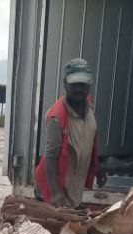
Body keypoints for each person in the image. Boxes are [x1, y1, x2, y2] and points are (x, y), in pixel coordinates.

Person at [35, 58, 107, 208]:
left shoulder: (89, 106)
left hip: (73, 182)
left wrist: (97, 168)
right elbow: (50, 156)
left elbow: (88, 141)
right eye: (74, 84)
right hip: (54, 187)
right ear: (65, 83)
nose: (79, 89)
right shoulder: (56, 117)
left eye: (83, 84)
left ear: (89, 84)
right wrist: (55, 192)